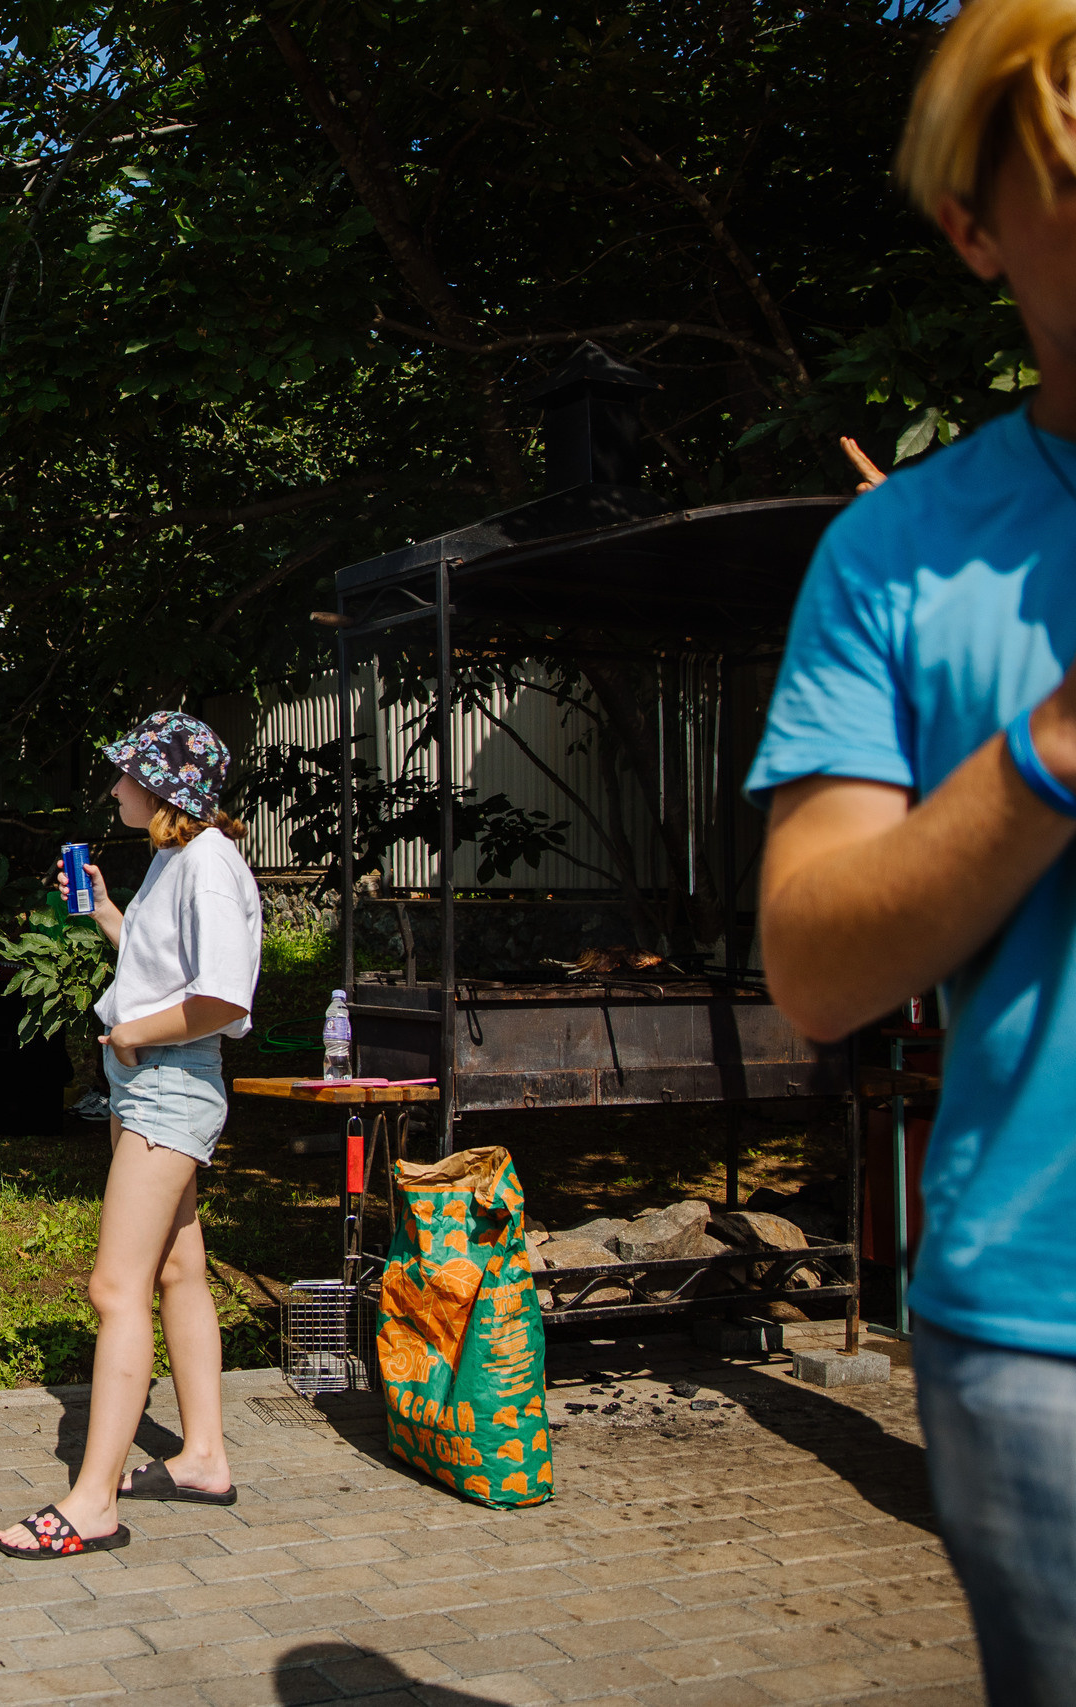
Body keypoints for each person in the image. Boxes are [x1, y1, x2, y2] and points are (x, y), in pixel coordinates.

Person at [752, 4, 1076, 1696]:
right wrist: (1056, 747)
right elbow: (812, 966)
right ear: (976, 224)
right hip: (1049, 1335)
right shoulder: (895, 557)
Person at [0, 711, 259, 1561]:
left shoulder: (208, 865)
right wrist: (111, 914)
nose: (115, 787)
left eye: (128, 775)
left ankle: (93, 1499)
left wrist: (138, 1035)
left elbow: (222, 998)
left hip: (168, 1087)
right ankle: (204, 1455)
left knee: (117, 1288)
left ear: (165, 787)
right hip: (150, 1083)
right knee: (180, 1269)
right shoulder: (175, 861)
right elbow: (163, 967)